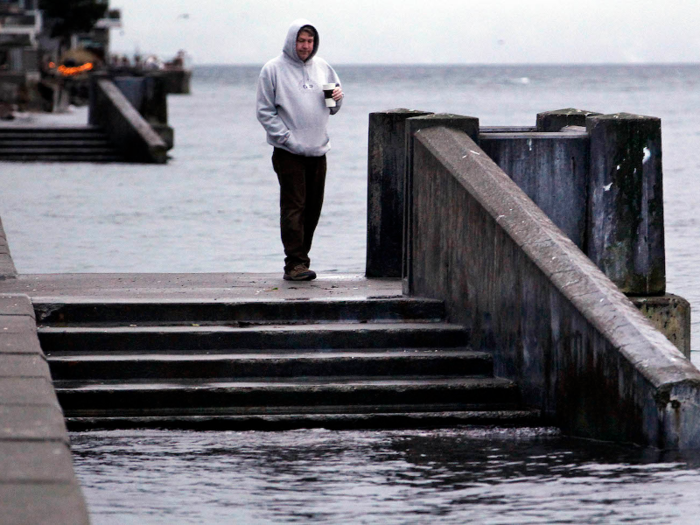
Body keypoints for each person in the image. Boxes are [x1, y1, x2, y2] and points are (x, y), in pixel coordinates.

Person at [256, 19, 344, 281]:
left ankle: (301, 261)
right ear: (291, 40)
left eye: (309, 41)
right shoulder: (272, 69)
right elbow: (264, 111)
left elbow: (333, 106)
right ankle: (294, 264)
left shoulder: (323, 67)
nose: (305, 46)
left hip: (318, 149)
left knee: (313, 208)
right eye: (301, 40)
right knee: (294, 206)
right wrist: (286, 139)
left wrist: (338, 99)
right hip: (288, 151)